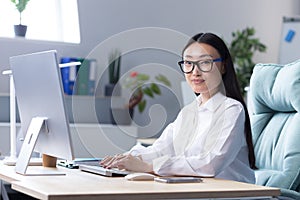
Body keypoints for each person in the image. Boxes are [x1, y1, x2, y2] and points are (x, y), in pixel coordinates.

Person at [100, 32, 256, 183]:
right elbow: (161, 149)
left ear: (223, 66)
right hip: (199, 190)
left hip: (232, 193)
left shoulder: (231, 110)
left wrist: (149, 167)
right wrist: (127, 158)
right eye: (188, 63)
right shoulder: (189, 112)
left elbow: (210, 164)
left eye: (205, 62)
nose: (195, 72)